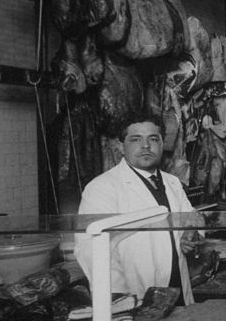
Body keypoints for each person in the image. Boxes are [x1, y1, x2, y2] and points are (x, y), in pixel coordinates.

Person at [74, 114, 201, 306]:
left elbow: (191, 218)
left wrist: (191, 233)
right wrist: (121, 301)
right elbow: (91, 249)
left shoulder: (172, 182)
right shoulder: (102, 187)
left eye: (153, 139)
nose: (146, 146)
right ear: (120, 146)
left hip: (178, 291)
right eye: (135, 139)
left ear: (161, 144)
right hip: (136, 296)